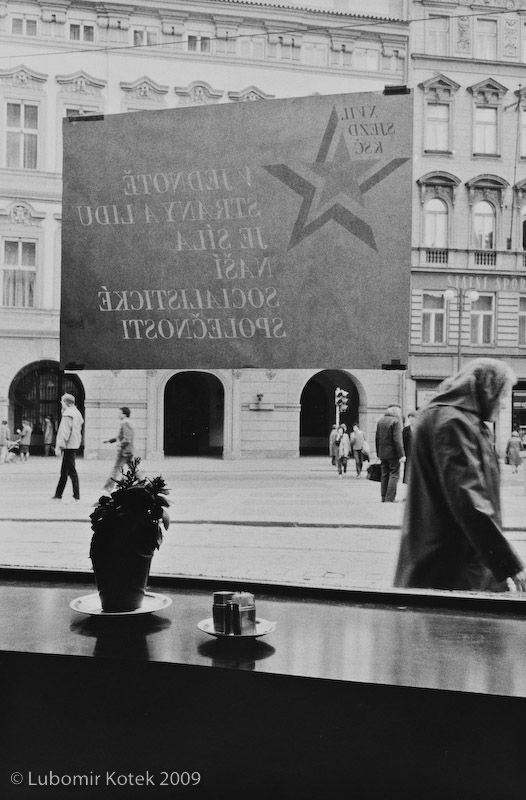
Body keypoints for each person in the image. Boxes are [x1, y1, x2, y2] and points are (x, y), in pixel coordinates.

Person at [394, 358, 526, 593]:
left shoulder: (459, 419)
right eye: (503, 394)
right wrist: (509, 564)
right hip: (451, 565)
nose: (504, 403)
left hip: (455, 560)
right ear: (488, 389)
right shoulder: (453, 422)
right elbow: (468, 498)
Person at [52, 394, 84, 501]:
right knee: (64, 471)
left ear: (66, 402)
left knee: (71, 471)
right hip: (74, 444)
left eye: (62, 402)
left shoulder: (68, 414)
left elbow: (64, 432)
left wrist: (59, 447)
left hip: (68, 446)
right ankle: (58, 494)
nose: (61, 403)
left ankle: (76, 495)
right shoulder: (77, 413)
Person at [375, 404, 405, 502]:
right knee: (394, 474)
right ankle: (390, 498)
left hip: (382, 453)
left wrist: (378, 453)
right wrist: (401, 455)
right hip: (393, 453)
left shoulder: (381, 421)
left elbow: (377, 439)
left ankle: (383, 497)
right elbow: (397, 440)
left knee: (384, 474)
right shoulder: (396, 422)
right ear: (396, 411)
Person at [103, 406, 134, 492]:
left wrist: (120, 445)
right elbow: (120, 437)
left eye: (119, 413)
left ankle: (108, 488)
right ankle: (145, 483)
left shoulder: (125, 423)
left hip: (124, 451)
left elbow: (127, 438)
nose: (118, 414)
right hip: (127, 451)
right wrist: (109, 441)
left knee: (116, 469)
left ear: (124, 414)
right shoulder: (126, 423)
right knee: (133, 468)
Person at [402, 411, 416, 485]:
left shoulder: (419, 428)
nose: (411, 420)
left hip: (417, 453)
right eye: (410, 418)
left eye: (413, 418)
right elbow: (403, 442)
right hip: (408, 452)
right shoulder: (406, 429)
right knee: (408, 469)